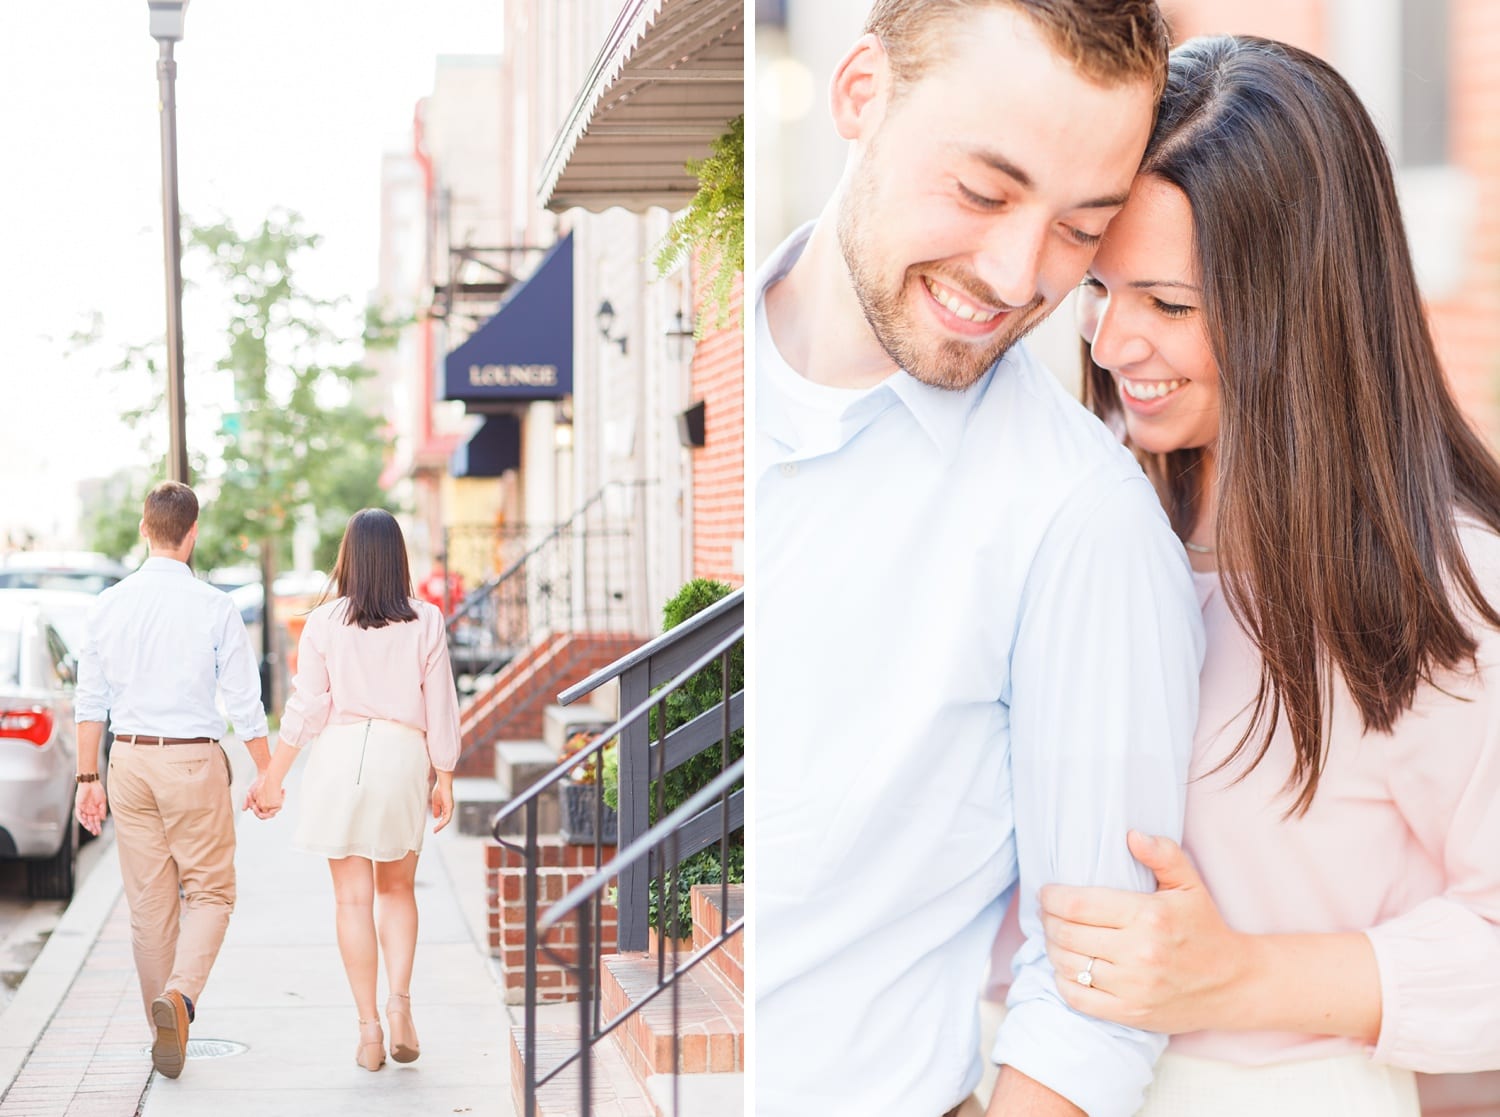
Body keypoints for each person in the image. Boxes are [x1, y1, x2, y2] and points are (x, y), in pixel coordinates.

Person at [1035, 34, 1500, 1116]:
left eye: (1170, 304)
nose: (1111, 345)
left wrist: (1239, 975)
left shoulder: (1451, 591)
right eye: (1100, 290)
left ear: (1303, 300)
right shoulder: (1091, 517)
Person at [754, 2, 1205, 1114]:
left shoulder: (1078, 519)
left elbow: (1097, 994)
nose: (1017, 276)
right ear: (861, 93)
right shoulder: (714, 375)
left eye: (1079, 228)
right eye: (984, 192)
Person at [73, 480, 271, 1080]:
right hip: (190, 760)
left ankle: (167, 1033)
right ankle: (180, 999)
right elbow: (243, 700)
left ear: (144, 529)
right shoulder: (214, 607)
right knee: (210, 892)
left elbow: (89, 702)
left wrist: (88, 777)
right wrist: (268, 771)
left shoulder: (107, 605)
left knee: (150, 907)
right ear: (192, 536)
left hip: (127, 761)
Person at [250, 508, 459, 1072]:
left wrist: (272, 779)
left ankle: (367, 1031)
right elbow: (440, 706)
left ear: (348, 557)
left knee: (350, 899)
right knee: (397, 890)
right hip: (400, 759)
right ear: (398, 559)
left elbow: (306, 709)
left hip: (340, 759)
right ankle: (400, 1006)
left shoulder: (322, 623)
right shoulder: (427, 620)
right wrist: (445, 775)